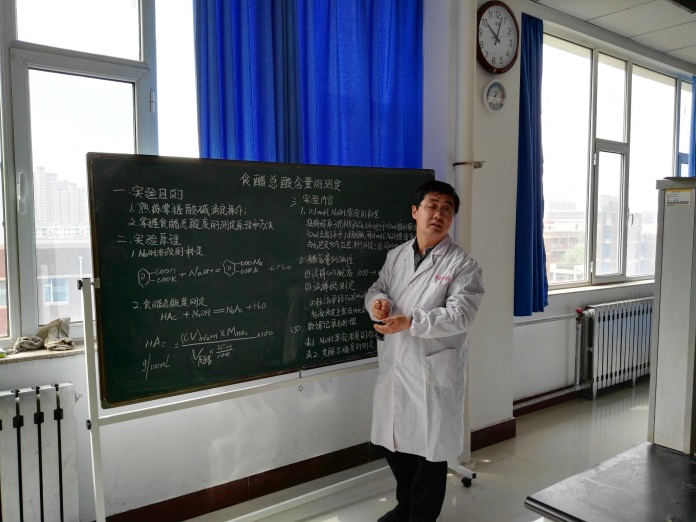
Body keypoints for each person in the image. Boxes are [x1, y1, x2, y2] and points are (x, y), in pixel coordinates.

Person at [365, 179, 485, 522]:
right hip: (397, 364)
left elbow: (461, 315)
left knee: (430, 454)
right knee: (393, 444)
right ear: (415, 211)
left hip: (433, 371)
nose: (439, 214)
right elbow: (378, 287)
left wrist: (412, 322)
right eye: (432, 206)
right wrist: (378, 302)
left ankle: (420, 516)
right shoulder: (397, 256)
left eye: (447, 209)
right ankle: (405, 507)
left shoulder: (463, 265)